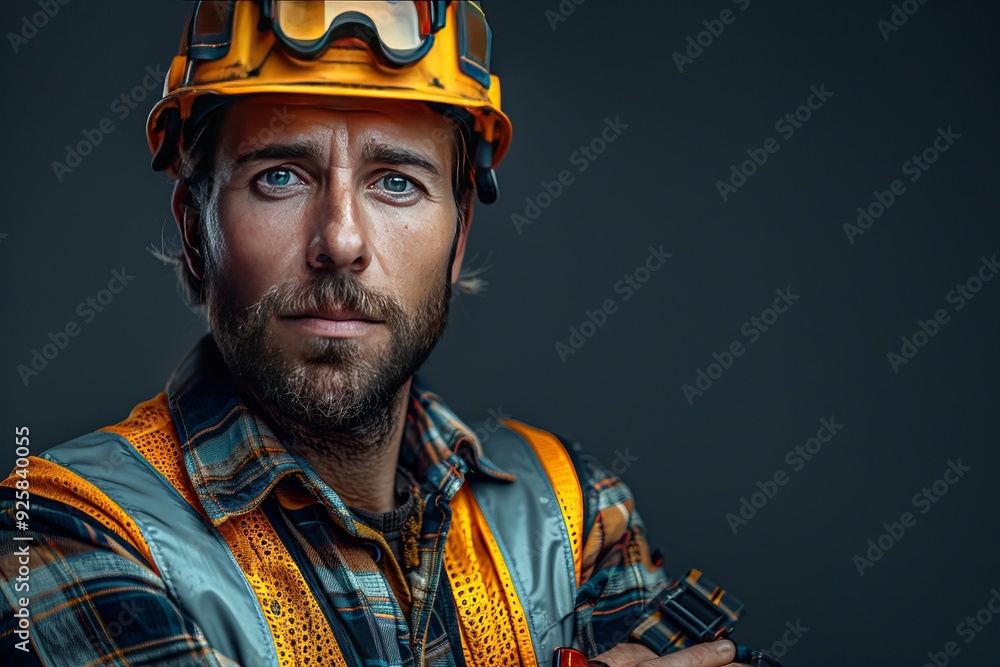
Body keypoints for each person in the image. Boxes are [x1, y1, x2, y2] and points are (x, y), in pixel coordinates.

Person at [0, 3, 763, 665]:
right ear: (196, 233)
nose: (340, 240)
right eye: (279, 175)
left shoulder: (571, 509)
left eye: (397, 181)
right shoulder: (59, 526)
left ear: (459, 236)